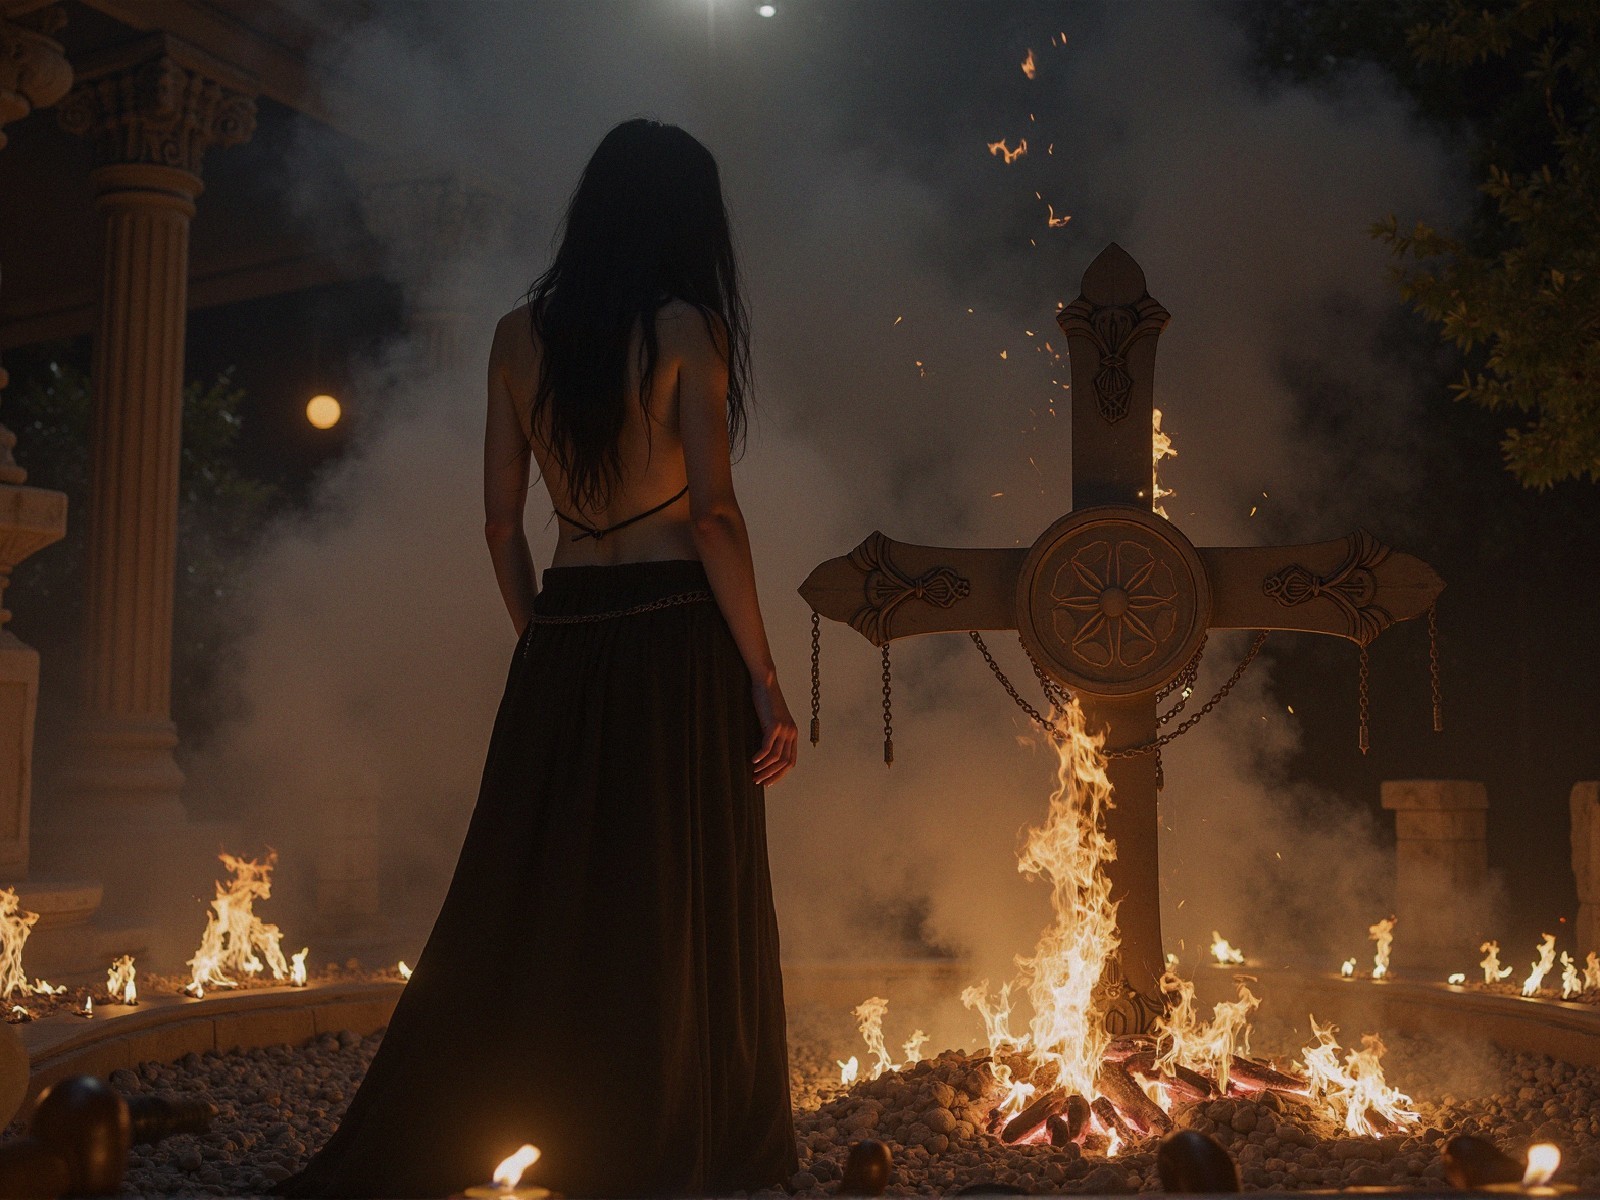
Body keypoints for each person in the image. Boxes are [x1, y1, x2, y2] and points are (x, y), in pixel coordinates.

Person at [273, 118, 800, 1198]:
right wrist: (764, 678)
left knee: (547, 885)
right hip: (674, 632)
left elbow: (499, 527)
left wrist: (547, 642)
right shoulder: (689, 328)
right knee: (669, 891)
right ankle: (667, 1135)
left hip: (564, 622)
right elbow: (713, 520)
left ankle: (533, 1116)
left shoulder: (519, 335)